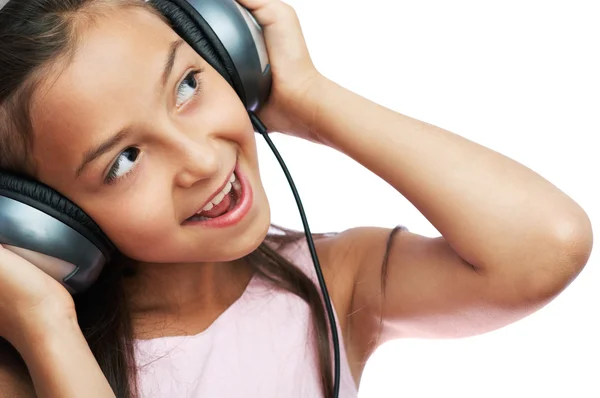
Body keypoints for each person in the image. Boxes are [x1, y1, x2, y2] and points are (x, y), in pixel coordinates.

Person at [0, 0, 593, 397]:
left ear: (232, 57)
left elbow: (545, 246)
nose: (203, 160)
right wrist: (44, 324)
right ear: (36, 220)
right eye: (124, 160)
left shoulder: (329, 284)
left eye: (187, 85)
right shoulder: (39, 363)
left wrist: (309, 98)